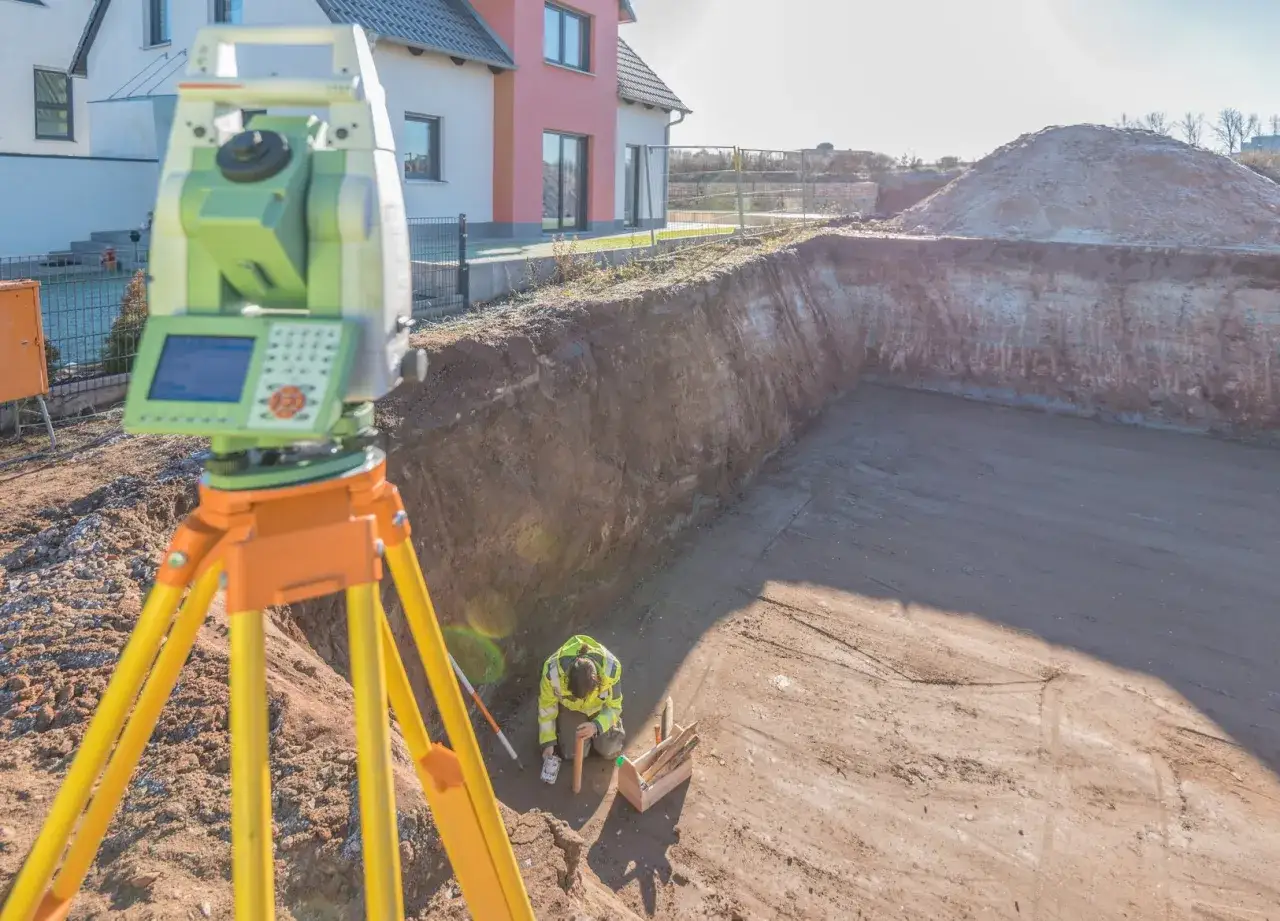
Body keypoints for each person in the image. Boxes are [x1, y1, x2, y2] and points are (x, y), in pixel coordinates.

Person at [537, 634, 625, 762]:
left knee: (610, 750)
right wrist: (548, 742)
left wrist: (596, 726)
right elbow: (547, 707)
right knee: (572, 754)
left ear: (598, 680)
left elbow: (615, 707)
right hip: (572, 709)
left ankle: (608, 733)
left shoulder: (611, 669)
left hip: (600, 708)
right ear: (566, 680)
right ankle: (566, 726)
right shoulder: (552, 674)